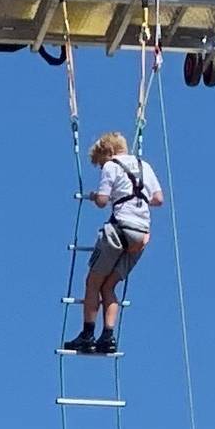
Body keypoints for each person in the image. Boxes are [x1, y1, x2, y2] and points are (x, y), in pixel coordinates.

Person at [69, 130, 164, 355]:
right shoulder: (145, 166)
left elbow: (102, 201)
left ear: (108, 152)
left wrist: (96, 196)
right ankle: (108, 337)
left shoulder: (112, 166)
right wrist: (137, 200)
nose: (102, 167)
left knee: (93, 282)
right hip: (140, 235)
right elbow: (159, 199)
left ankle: (88, 334)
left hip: (118, 230)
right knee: (109, 286)